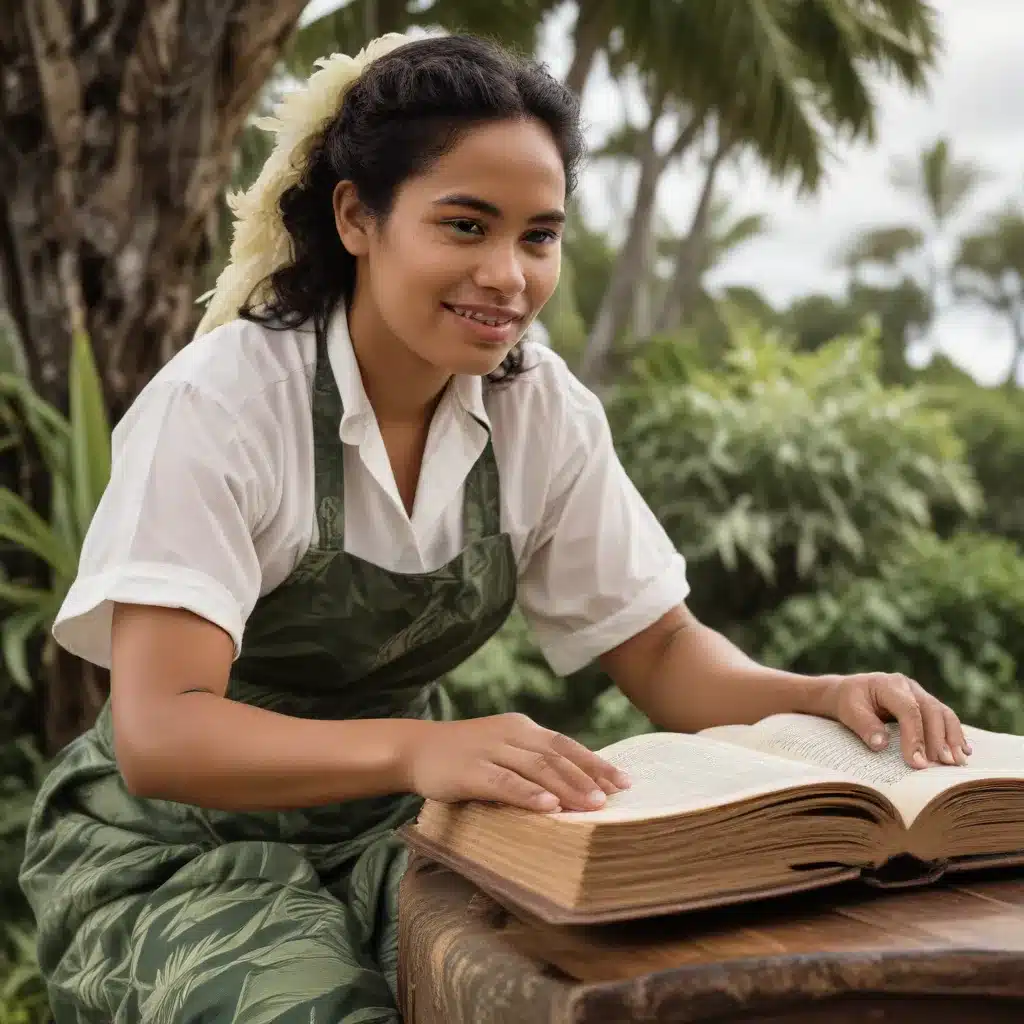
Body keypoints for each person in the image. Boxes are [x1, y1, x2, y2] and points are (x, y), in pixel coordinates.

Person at [20, 30, 971, 1024]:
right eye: (466, 226)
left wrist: (814, 695)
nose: (508, 276)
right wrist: (420, 751)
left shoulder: (538, 410)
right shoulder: (226, 402)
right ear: (357, 217)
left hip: (405, 835)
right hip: (180, 850)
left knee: (581, 995)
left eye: (539, 235)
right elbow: (161, 730)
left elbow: (656, 647)